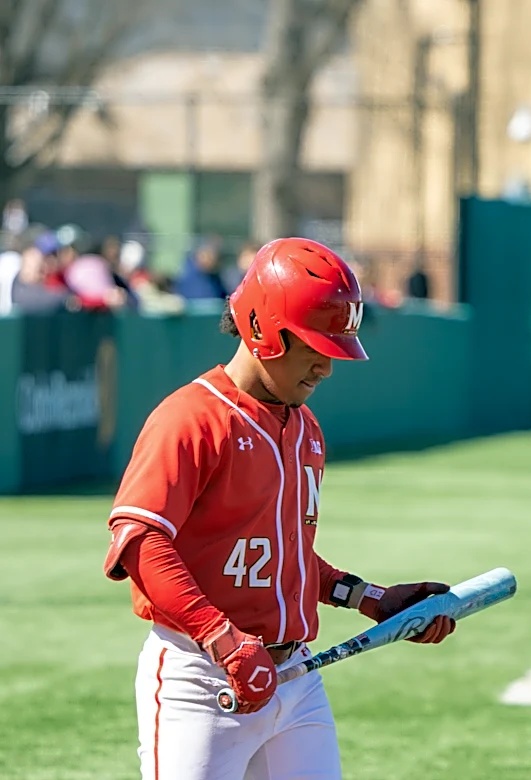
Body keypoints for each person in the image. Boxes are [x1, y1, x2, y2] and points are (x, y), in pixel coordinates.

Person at [102, 237, 455, 780]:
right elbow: (139, 541)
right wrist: (223, 641)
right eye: (315, 346)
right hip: (202, 679)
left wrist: (370, 597)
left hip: (296, 676)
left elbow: (282, 553)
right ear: (263, 330)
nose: (327, 367)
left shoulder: (304, 426)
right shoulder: (190, 417)